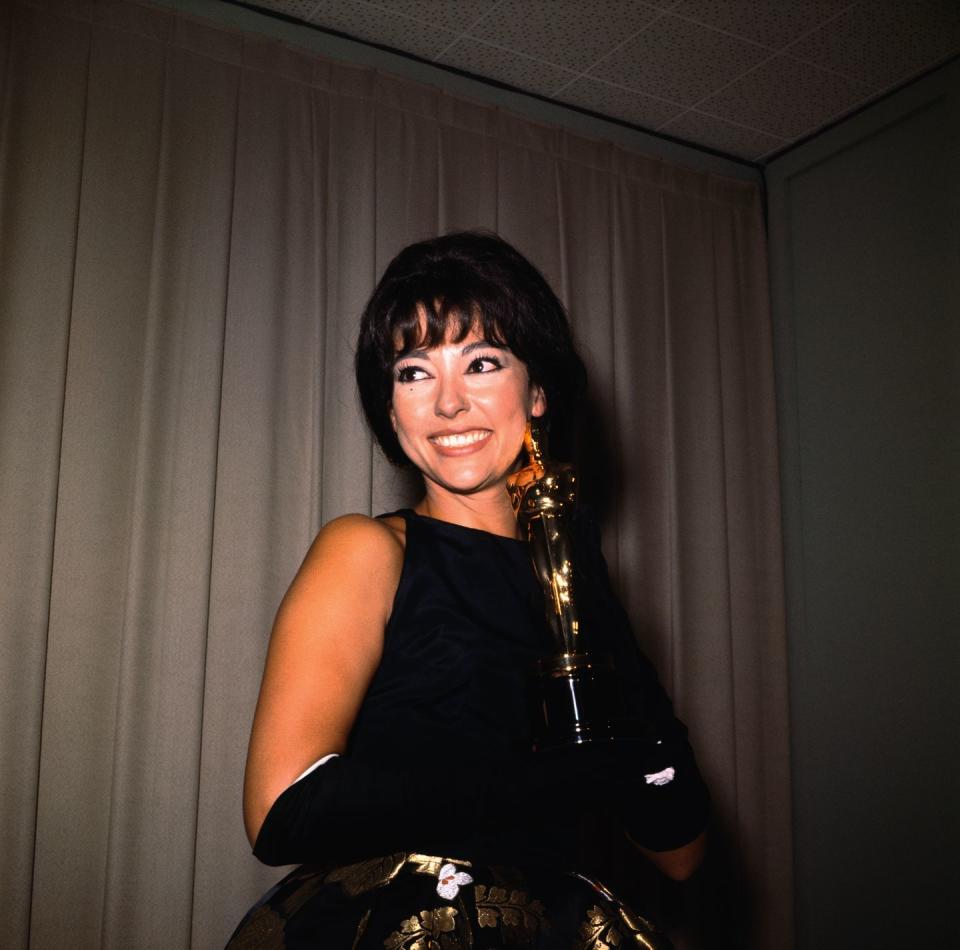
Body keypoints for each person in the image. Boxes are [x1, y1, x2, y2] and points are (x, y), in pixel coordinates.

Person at [227, 232, 708, 949]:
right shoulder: (368, 548)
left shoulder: (576, 583)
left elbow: (679, 851)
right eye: (414, 372)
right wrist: (550, 780)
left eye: (481, 363)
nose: (447, 404)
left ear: (537, 391)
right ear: (391, 410)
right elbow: (282, 811)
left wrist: (610, 657)